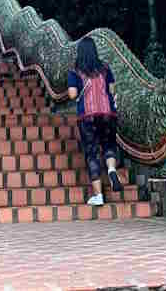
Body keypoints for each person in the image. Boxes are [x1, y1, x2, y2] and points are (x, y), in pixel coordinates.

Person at [67, 36, 123, 206]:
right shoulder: (105, 67)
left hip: (88, 116)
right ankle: (112, 170)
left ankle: (98, 196)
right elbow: (112, 89)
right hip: (107, 114)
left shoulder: (75, 70)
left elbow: (72, 94)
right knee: (108, 145)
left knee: (92, 153)